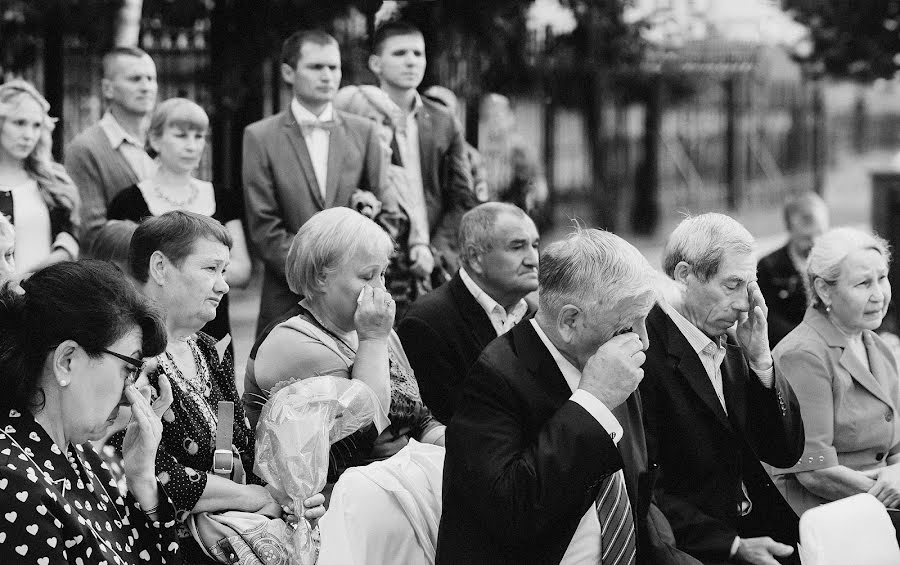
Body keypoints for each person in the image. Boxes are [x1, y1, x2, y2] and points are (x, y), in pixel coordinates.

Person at [437, 226, 700, 564]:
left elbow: (636, 503)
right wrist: (592, 403)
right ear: (570, 321)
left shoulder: (612, 359)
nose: (643, 341)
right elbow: (512, 512)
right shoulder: (495, 377)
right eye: (626, 327)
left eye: (644, 321)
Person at [113, 211, 323, 563]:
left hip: (228, 539)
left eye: (225, 271)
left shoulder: (210, 349)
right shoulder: (126, 358)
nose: (224, 285)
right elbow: (155, 473)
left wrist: (290, 497)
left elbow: (243, 449)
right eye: (211, 269)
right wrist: (257, 498)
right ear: (160, 267)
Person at [247, 207, 445, 563]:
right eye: (368, 276)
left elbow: (419, 418)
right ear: (322, 277)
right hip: (340, 503)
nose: (380, 289)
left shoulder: (371, 328)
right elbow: (369, 419)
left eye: (383, 274)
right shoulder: (291, 341)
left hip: (399, 482)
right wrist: (372, 338)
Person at [640, 213, 804, 565]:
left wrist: (761, 360)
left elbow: (784, 450)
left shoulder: (734, 341)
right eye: (732, 285)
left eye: (750, 285)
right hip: (695, 548)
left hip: (762, 527)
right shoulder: (644, 350)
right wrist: (731, 546)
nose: (746, 303)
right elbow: (648, 489)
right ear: (684, 275)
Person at [0, 260, 180, 563]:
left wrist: (143, 481)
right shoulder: (11, 484)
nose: (130, 394)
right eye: (128, 369)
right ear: (66, 361)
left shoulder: (80, 455)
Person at [243, 30, 385, 336]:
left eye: (333, 68)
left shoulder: (365, 132)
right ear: (288, 72)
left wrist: (350, 274)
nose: (327, 76)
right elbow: (263, 226)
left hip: (356, 300)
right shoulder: (259, 136)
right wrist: (314, 274)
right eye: (316, 67)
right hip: (286, 294)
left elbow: (384, 210)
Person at [771, 227, 900, 519]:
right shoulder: (803, 354)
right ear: (823, 290)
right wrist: (889, 495)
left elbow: (895, 449)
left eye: (882, 278)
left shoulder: (877, 346)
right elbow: (816, 471)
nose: (879, 294)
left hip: (877, 508)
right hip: (824, 519)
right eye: (863, 284)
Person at [107, 97, 252, 342]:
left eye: (199, 137)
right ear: (155, 139)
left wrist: (189, 271)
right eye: (181, 136)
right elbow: (122, 274)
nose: (192, 146)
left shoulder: (223, 197)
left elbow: (242, 270)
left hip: (214, 327)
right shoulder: (128, 201)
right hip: (152, 329)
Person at [397, 202, 539, 423]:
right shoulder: (427, 323)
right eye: (517, 246)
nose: (533, 260)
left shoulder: (537, 315)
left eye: (535, 245)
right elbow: (446, 426)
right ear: (475, 258)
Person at [369, 20, 477, 277]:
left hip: (435, 264)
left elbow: (461, 196)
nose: (411, 61)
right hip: (376, 261)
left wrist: (437, 252)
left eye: (418, 53)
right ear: (376, 64)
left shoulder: (443, 120)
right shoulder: (360, 118)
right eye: (399, 53)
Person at [333, 84, 434, 316]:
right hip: (367, 294)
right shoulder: (344, 178)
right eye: (369, 120)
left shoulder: (400, 173)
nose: (377, 130)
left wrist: (420, 245)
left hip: (409, 291)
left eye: (385, 122)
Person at [65, 46, 157, 255]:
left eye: (151, 79)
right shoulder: (85, 148)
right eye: (135, 79)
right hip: (116, 279)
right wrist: (171, 243)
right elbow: (92, 234)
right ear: (108, 89)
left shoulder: (166, 141)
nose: (146, 87)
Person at [0, 80, 79, 273]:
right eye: (19, 123)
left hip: (46, 296)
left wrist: (31, 275)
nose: (29, 135)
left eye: (36, 125)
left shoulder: (52, 183)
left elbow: (70, 239)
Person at [758, 192, 829, 347]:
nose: (814, 242)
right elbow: (767, 318)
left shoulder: (834, 262)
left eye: (820, 234)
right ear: (790, 228)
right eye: (807, 237)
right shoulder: (769, 267)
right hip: (787, 347)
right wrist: (806, 339)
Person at [421, 85, 490, 204]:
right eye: (430, 107)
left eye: (442, 109)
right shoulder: (410, 145)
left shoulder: (471, 157)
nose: (435, 115)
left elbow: (478, 197)